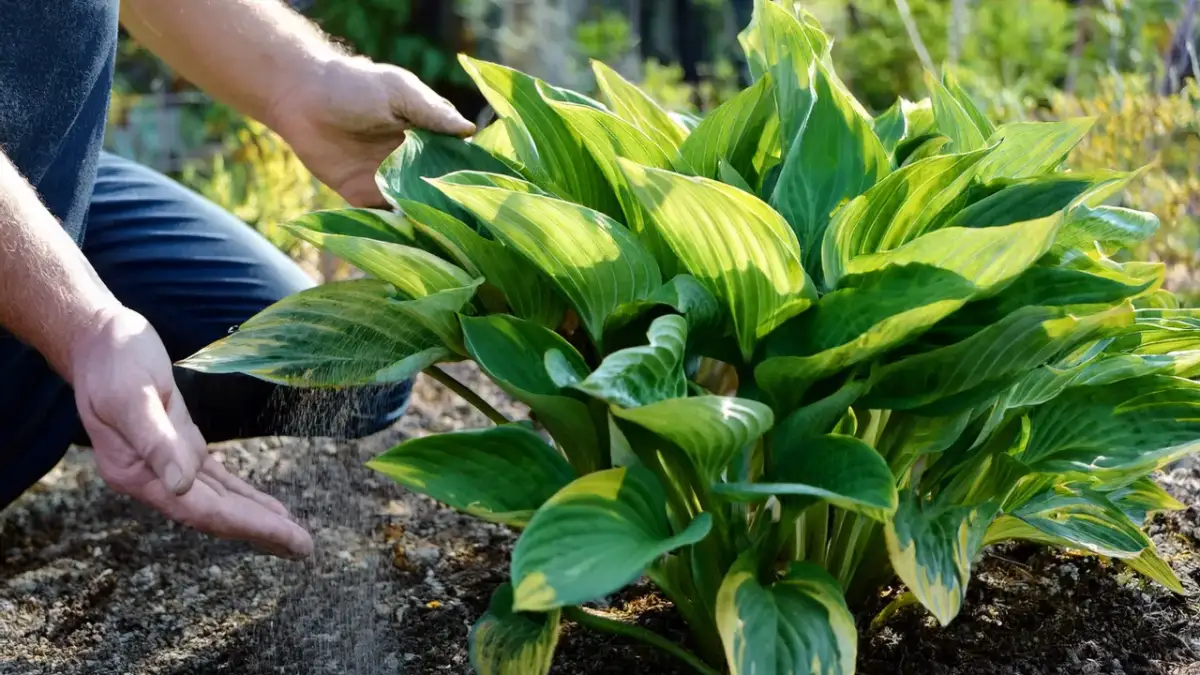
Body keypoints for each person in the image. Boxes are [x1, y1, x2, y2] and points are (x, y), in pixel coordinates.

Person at [0, 1, 474, 559]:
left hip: (48, 174)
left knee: (348, 360)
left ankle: (96, 395)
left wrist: (306, 79)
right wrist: (83, 327)